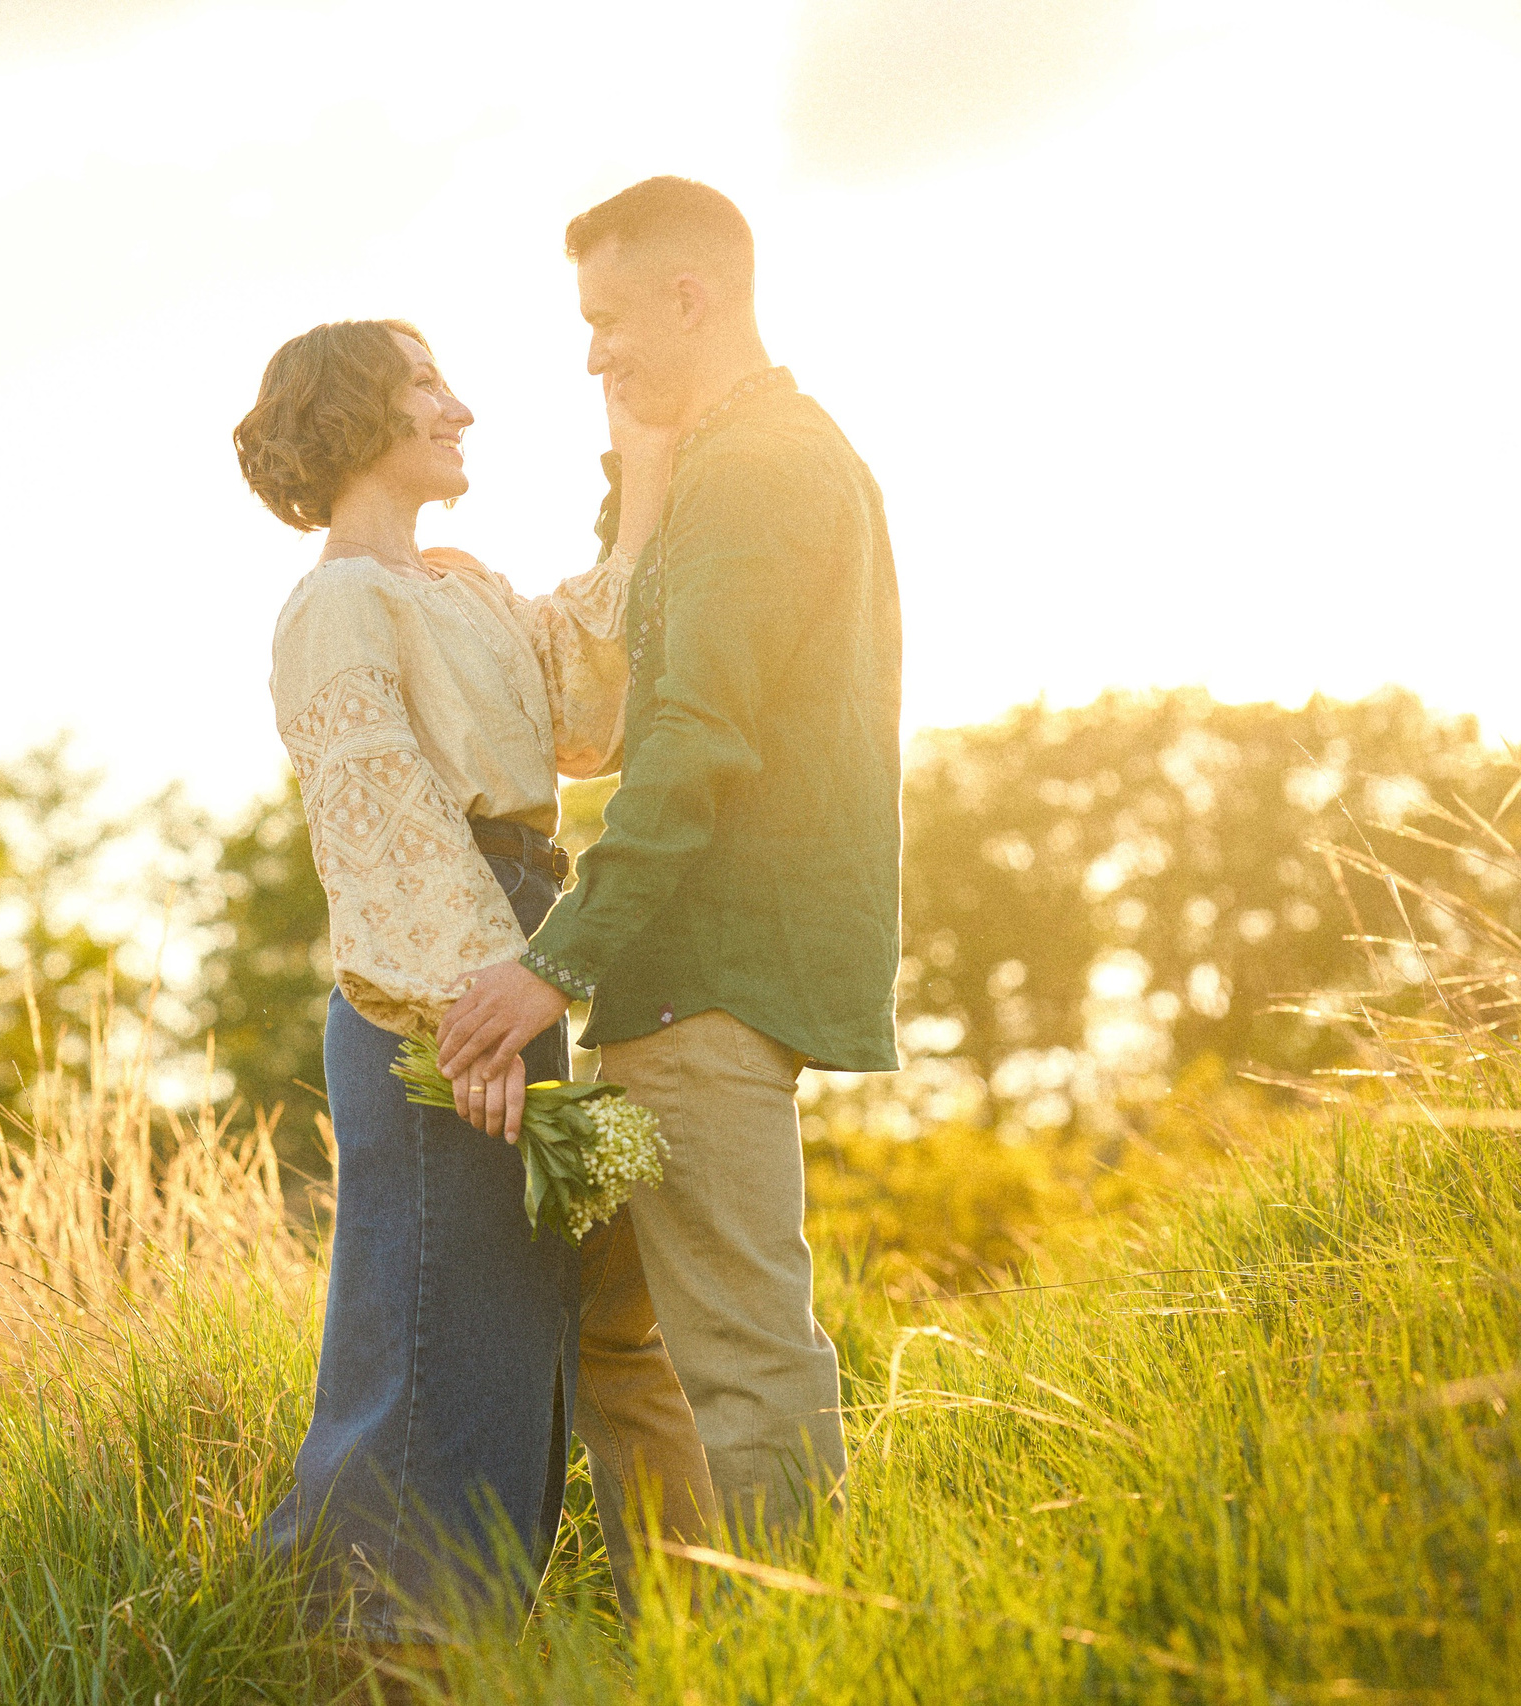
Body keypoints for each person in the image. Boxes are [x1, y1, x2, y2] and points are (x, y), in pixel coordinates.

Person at [439, 176, 905, 1574]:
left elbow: (690, 743)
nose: (595, 357)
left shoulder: (761, 472)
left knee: (748, 1352)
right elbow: (652, 640)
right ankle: (691, 1630)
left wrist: (548, 960)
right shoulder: (729, 464)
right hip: (668, 995)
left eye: (609, 323)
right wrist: (626, 464)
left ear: (693, 299)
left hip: (702, 990)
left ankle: (803, 1640)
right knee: (610, 1328)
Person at [234, 318, 705, 1650]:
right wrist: (477, 1008)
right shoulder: (338, 604)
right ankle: (373, 1640)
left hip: (511, 945)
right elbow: (377, 808)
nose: (462, 408)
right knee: (432, 1319)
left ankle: (463, 1628)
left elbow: (588, 695)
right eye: (427, 386)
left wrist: (647, 453)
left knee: (506, 1317)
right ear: (354, 418)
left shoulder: (460, 586)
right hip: (435, 981)